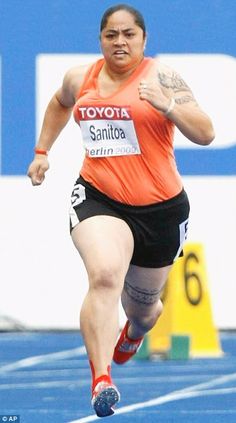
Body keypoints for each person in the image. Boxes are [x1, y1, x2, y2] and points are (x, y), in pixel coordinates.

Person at [27, 3, 215, 418]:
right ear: (101, 40)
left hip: (160, 210)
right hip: (99, 195)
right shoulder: (82, 77)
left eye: (129, 34)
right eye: (111, 35)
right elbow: (60, 103)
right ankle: (101, 379)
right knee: (105, 274)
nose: (120, 42)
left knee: (144, 309)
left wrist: (169, 107)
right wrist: (42, 151)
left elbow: (205, 132)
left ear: (144, 40)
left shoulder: (163, 77)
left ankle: (134, 332)